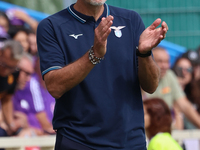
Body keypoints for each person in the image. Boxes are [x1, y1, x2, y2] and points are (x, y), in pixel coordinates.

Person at [37, 0, 168, 149]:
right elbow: (55, 87)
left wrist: (144, 54)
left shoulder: (131, 20)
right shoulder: (51, 26)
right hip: (78, 141)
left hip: (130, 143)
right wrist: (94, 55)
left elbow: (151, 86)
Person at [144, 47, 200, 130]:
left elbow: (184, 105)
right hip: (147, 132)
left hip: (166, 131)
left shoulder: (169, 75)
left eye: (167, 61)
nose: (164, 66)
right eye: (160, 61)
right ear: (150, 61)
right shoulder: (142, 78)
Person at [0, 40, 24, 136]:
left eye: (11, 67)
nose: (6, 71)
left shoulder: (14, 73)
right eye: (4, 65)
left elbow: (6, 99)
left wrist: (11, 124)